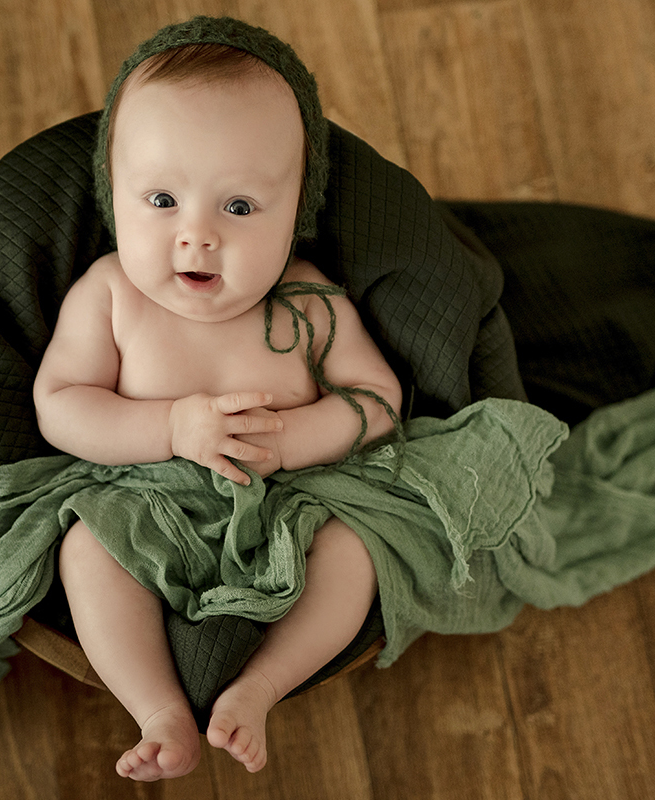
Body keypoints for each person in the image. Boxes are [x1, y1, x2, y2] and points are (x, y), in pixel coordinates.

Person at [33, 21, 402, 782]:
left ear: (296, 208)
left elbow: (379, 400)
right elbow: (60, 406)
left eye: (239, 207)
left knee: (356, 552)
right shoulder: (110, 295)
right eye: (163, 199)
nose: (196, 236)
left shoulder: (309, 302)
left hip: (293, 507)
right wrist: (168, 426)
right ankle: (158, 708)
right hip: (146, 507)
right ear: (114, 191)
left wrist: (295, 442)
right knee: (86, 549)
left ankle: (260, 685)